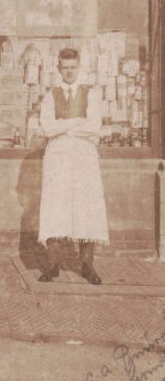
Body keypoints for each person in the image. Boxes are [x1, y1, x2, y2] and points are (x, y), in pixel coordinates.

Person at [38, 47, 109, 285]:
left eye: (73, 67)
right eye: (64, 68)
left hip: (83, 159)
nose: (68, 72)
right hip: (57, 159)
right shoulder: (51, 95)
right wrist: (78, 121)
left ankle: (87, 264)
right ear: (58, 69)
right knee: (55, 207)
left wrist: (64, 125)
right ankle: (53, 263)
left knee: (86, 208)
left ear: (79, 68)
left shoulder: (91, 94)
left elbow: (95, 126)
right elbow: (47, 128)